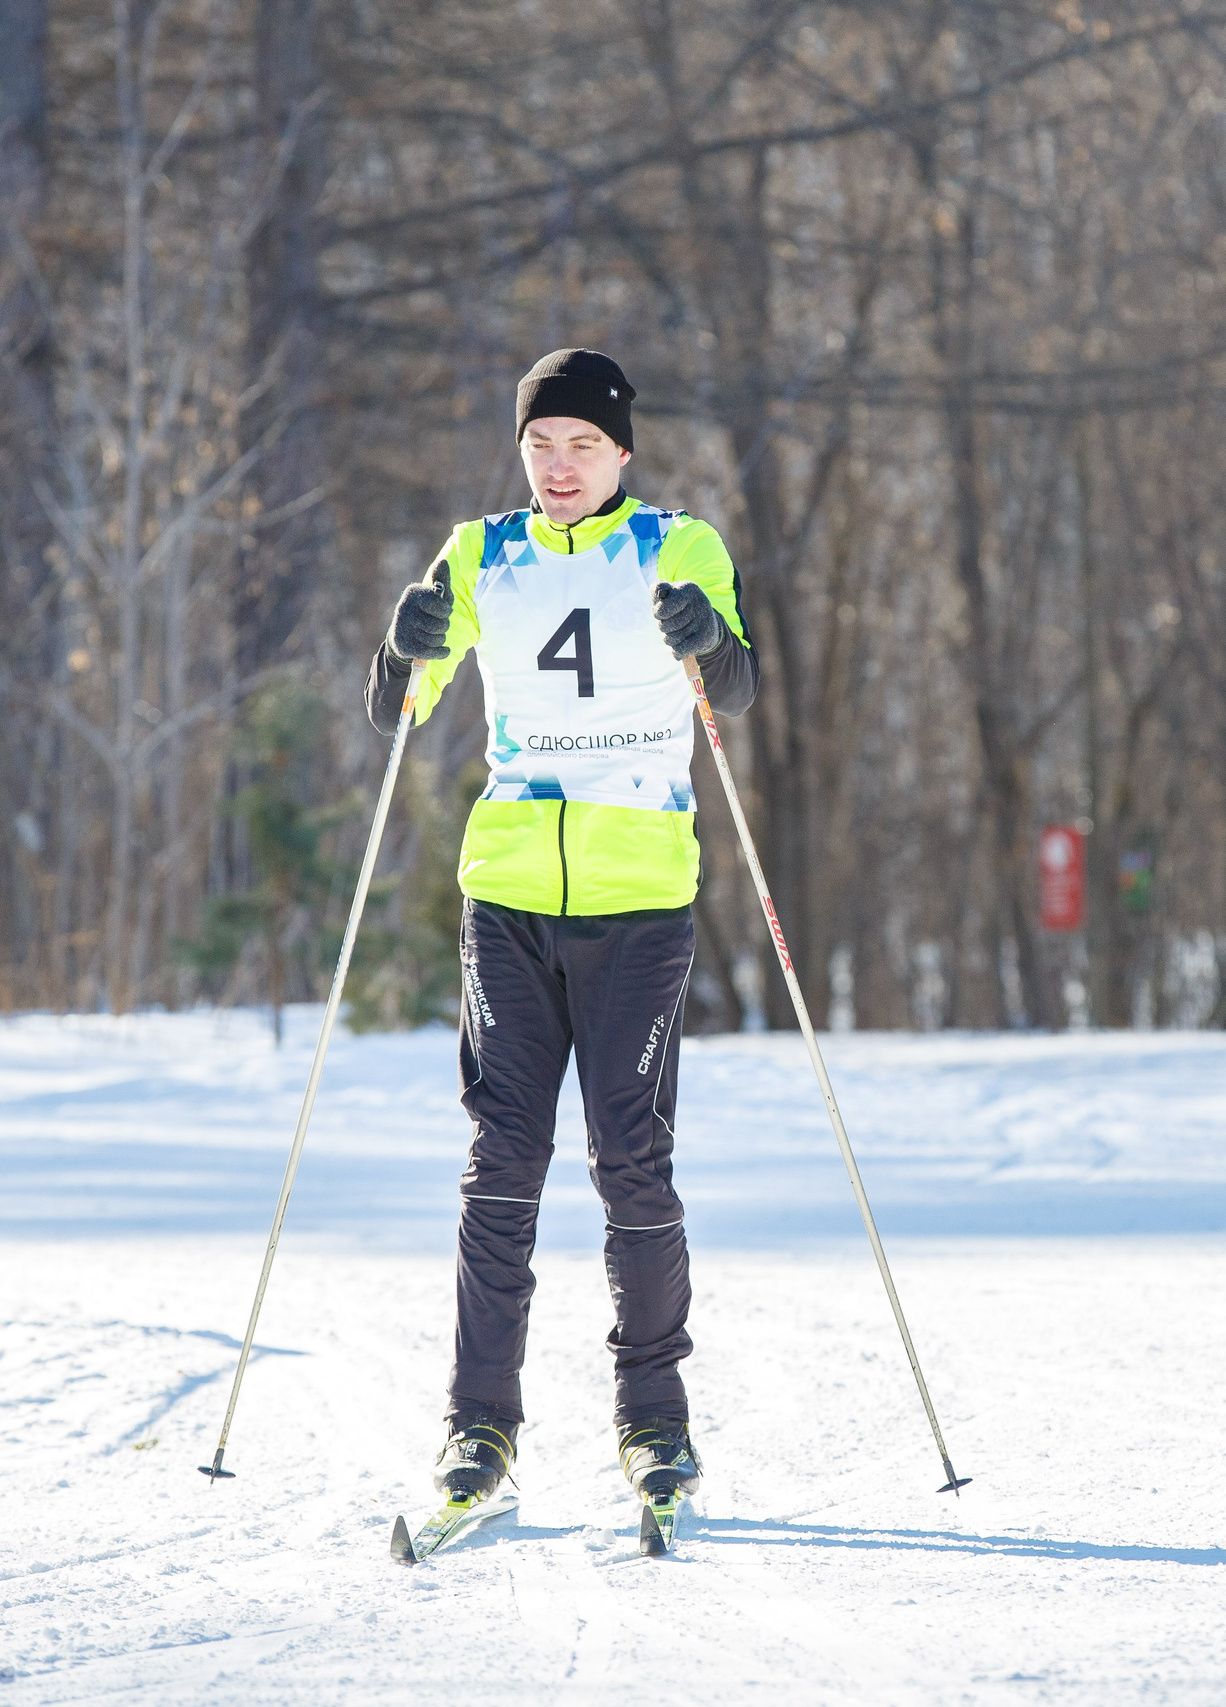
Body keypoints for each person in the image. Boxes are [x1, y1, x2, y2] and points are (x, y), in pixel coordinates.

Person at [366, 348, 756, 1516]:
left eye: (582, 443)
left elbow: (731, 688)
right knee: (503, 1164)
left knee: (631, 1162)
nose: (558, 465)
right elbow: (396, 708)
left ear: (622, 451)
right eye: (540, 443)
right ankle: (478, 1426)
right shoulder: (481, 553)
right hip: (509, 895)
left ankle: (655, 1427)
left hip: (640, 897)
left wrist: (704, 634)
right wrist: (404, 643)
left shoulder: (675, 545)